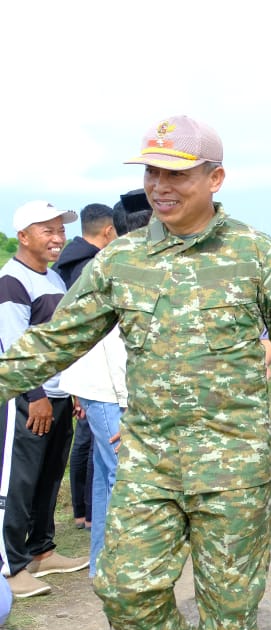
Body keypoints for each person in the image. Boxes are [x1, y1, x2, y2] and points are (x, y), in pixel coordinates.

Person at [0, 115, 271, 630]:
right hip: (149, 463)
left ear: (215, 178)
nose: (161, 186)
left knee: (229, 610)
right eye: (152, 173)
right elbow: (53, 342)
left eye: (176, 174)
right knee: (122, 588)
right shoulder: (121, 260)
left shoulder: (255, 254)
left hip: (232, 469)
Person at [0, 201, 86, 600]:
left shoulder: (53, 278)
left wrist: (75, 388)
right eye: (47, 230)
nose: (58, 238)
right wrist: (34, 396)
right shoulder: (11, 281)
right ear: (23, 236)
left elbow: (65, 339)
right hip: (27, 398)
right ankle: (10, 566)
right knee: (18, 482)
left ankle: (41, 550)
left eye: (61, 230)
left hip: (59, 393)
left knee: (49, 476)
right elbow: (12, 346)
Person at [55, 203, 126, 578]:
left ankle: (100, 565)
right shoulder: (102, 267)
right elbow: (110, 342)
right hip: (106, 387)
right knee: (120, 475)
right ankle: (116, 569)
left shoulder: (84, 263)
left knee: (103, 475)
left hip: (94, 384)